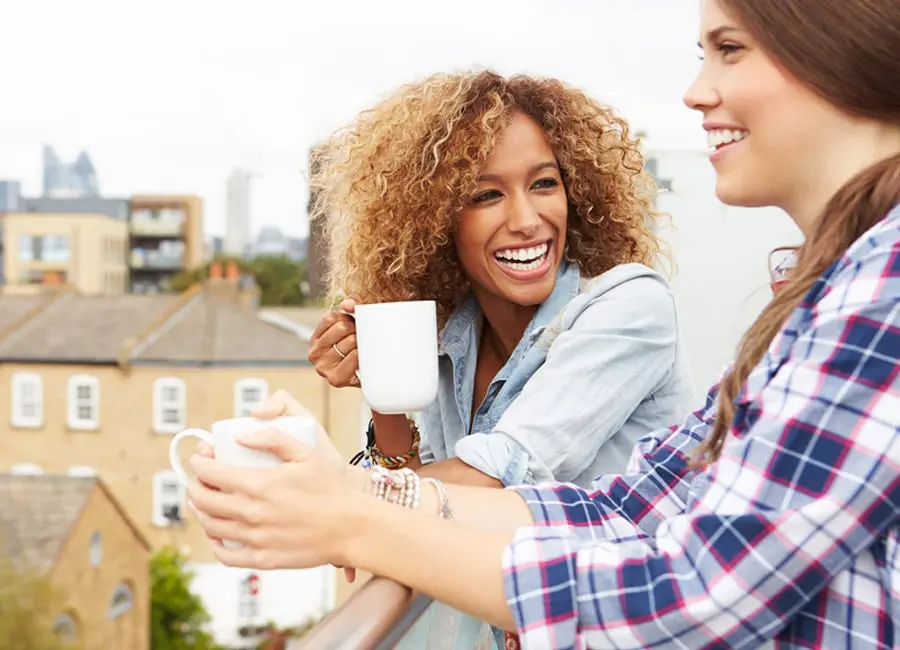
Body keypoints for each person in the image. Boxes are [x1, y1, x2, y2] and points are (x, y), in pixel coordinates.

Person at [188, 0, 900, 647]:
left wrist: (349, 517)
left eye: (730, 49)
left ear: (837, 47)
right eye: (485, 194)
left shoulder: (869, 292)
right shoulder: (819, 298)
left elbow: (692, 591)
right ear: (436, 219)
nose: (694, 91)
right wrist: (373, 428)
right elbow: (621, 508)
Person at [304, 71, 695, 647]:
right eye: (486, 194)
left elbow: (497, 476)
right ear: (435, 221)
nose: (526, 219)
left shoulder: (630, 307)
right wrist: (383, 388)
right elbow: (424, 498)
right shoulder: (451, 335)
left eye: (544, 184)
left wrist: (332, 502)